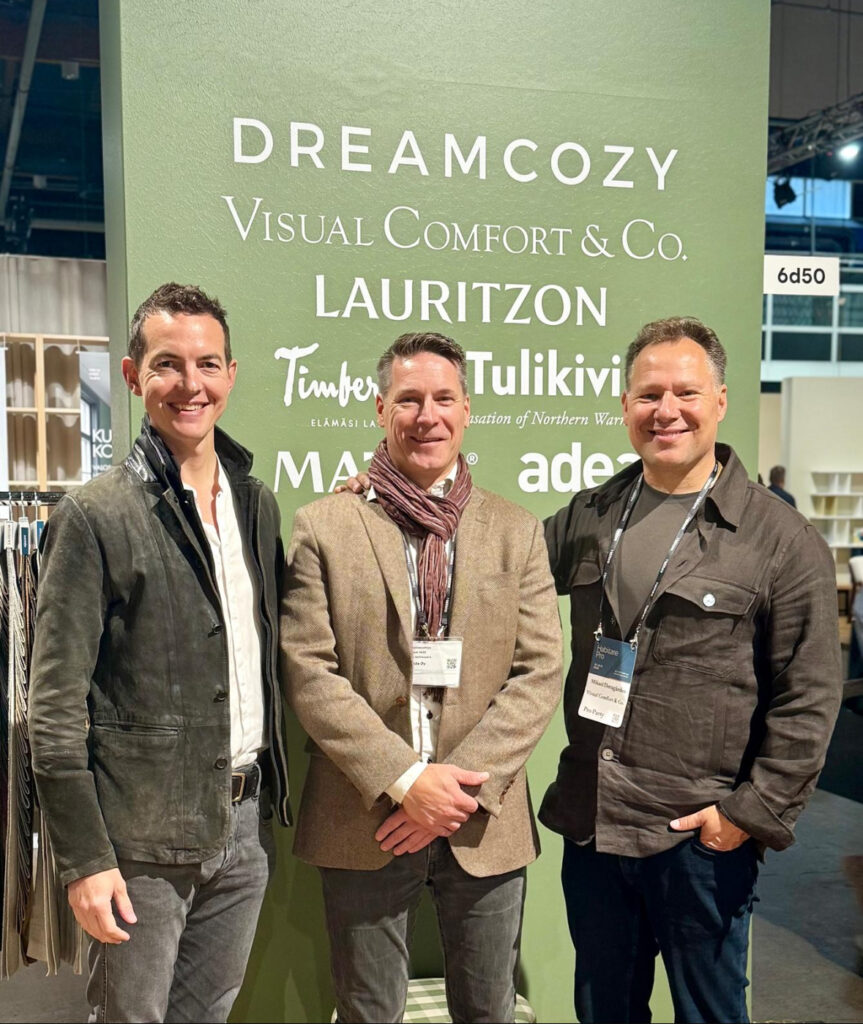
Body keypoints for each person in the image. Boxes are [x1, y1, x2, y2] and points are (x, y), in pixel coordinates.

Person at [540, 316, 842, 1024]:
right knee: (603, 1011)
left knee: (709, 1015)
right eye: (648, 395)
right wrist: (388, 497)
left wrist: (746, 816)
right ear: (625, 406)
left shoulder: (780, 540)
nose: (665, 410)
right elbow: (491, 560)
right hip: (593, 822)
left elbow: (809, 697)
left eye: (685, 392)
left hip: (697, 837)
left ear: (720, 401)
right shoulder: (589, 517)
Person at [280, 330, 562, 1023]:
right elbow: (309, 670)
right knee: (367, 1011)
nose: (426, 415)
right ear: (381, 408)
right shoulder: (324, 526)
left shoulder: (516, 530)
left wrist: (453, 794)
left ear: (466, 410)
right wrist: (407, 782)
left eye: (443, 399)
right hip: (363, 815)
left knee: (488, 1010)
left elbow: (537, 671)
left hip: (483, 818)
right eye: (408, 399)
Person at [27, 283, 291, 1023]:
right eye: (168, 364)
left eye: (207, 364)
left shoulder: (256, 504)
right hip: (138, 839)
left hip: (245, 827)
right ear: (133, 375)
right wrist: (85, 859)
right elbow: (53, 711)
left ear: (230, 374)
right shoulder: (94, 516)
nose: (190, 384)